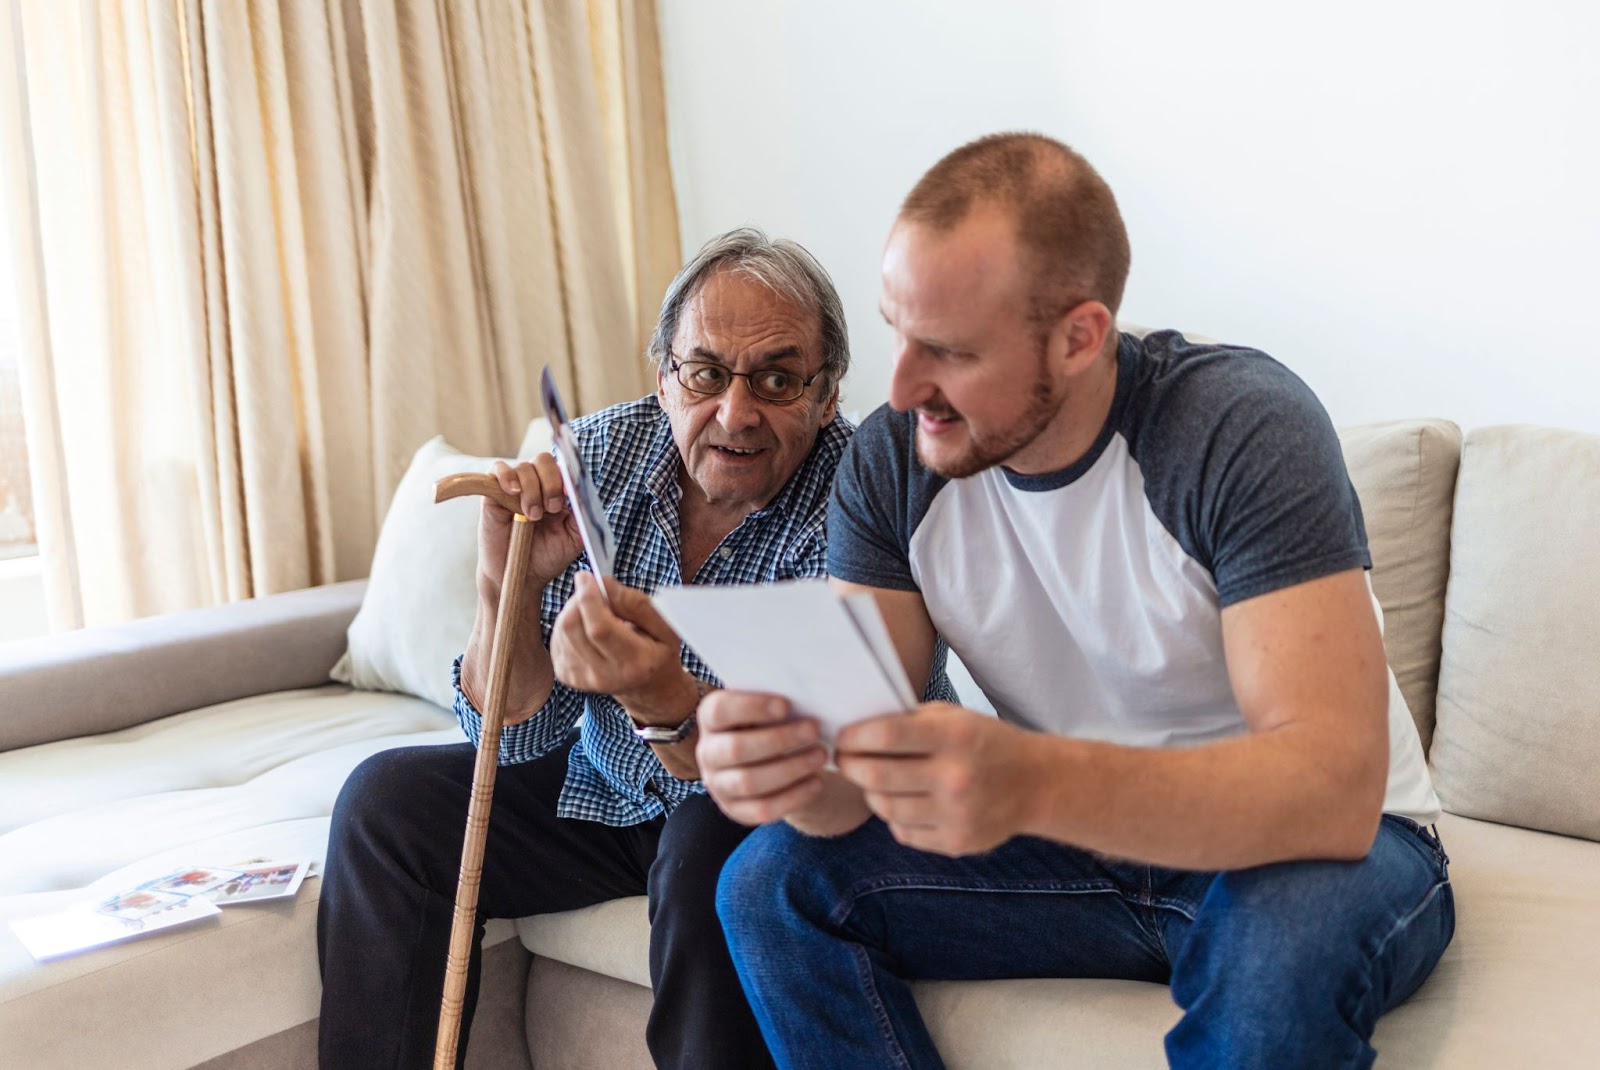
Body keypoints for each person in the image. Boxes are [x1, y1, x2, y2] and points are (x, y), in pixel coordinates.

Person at [696, 134, 1453, 1069]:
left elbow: (1331, 792)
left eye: (952, 350)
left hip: (1315, 847)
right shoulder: (896, 458)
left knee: (1271, 963)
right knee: (769, 879)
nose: (900, 388)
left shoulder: (1237, 427)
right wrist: (788, 774)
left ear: (1081, 337)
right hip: (1071, 850)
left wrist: (1034, 780)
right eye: (899, 332)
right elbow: (852, 776)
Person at [316, 227, 927, 1069]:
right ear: (663, 376)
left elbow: (816, 759)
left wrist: (662, 693)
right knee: (387, 803)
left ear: (826, 397)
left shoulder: (862, 491)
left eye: (778, 380)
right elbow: (518, 735)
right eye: (706, 374)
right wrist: (512, 585)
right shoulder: (597, 456)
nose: (735, 412)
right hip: (615, 794)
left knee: (710, 845)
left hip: (789, 800)